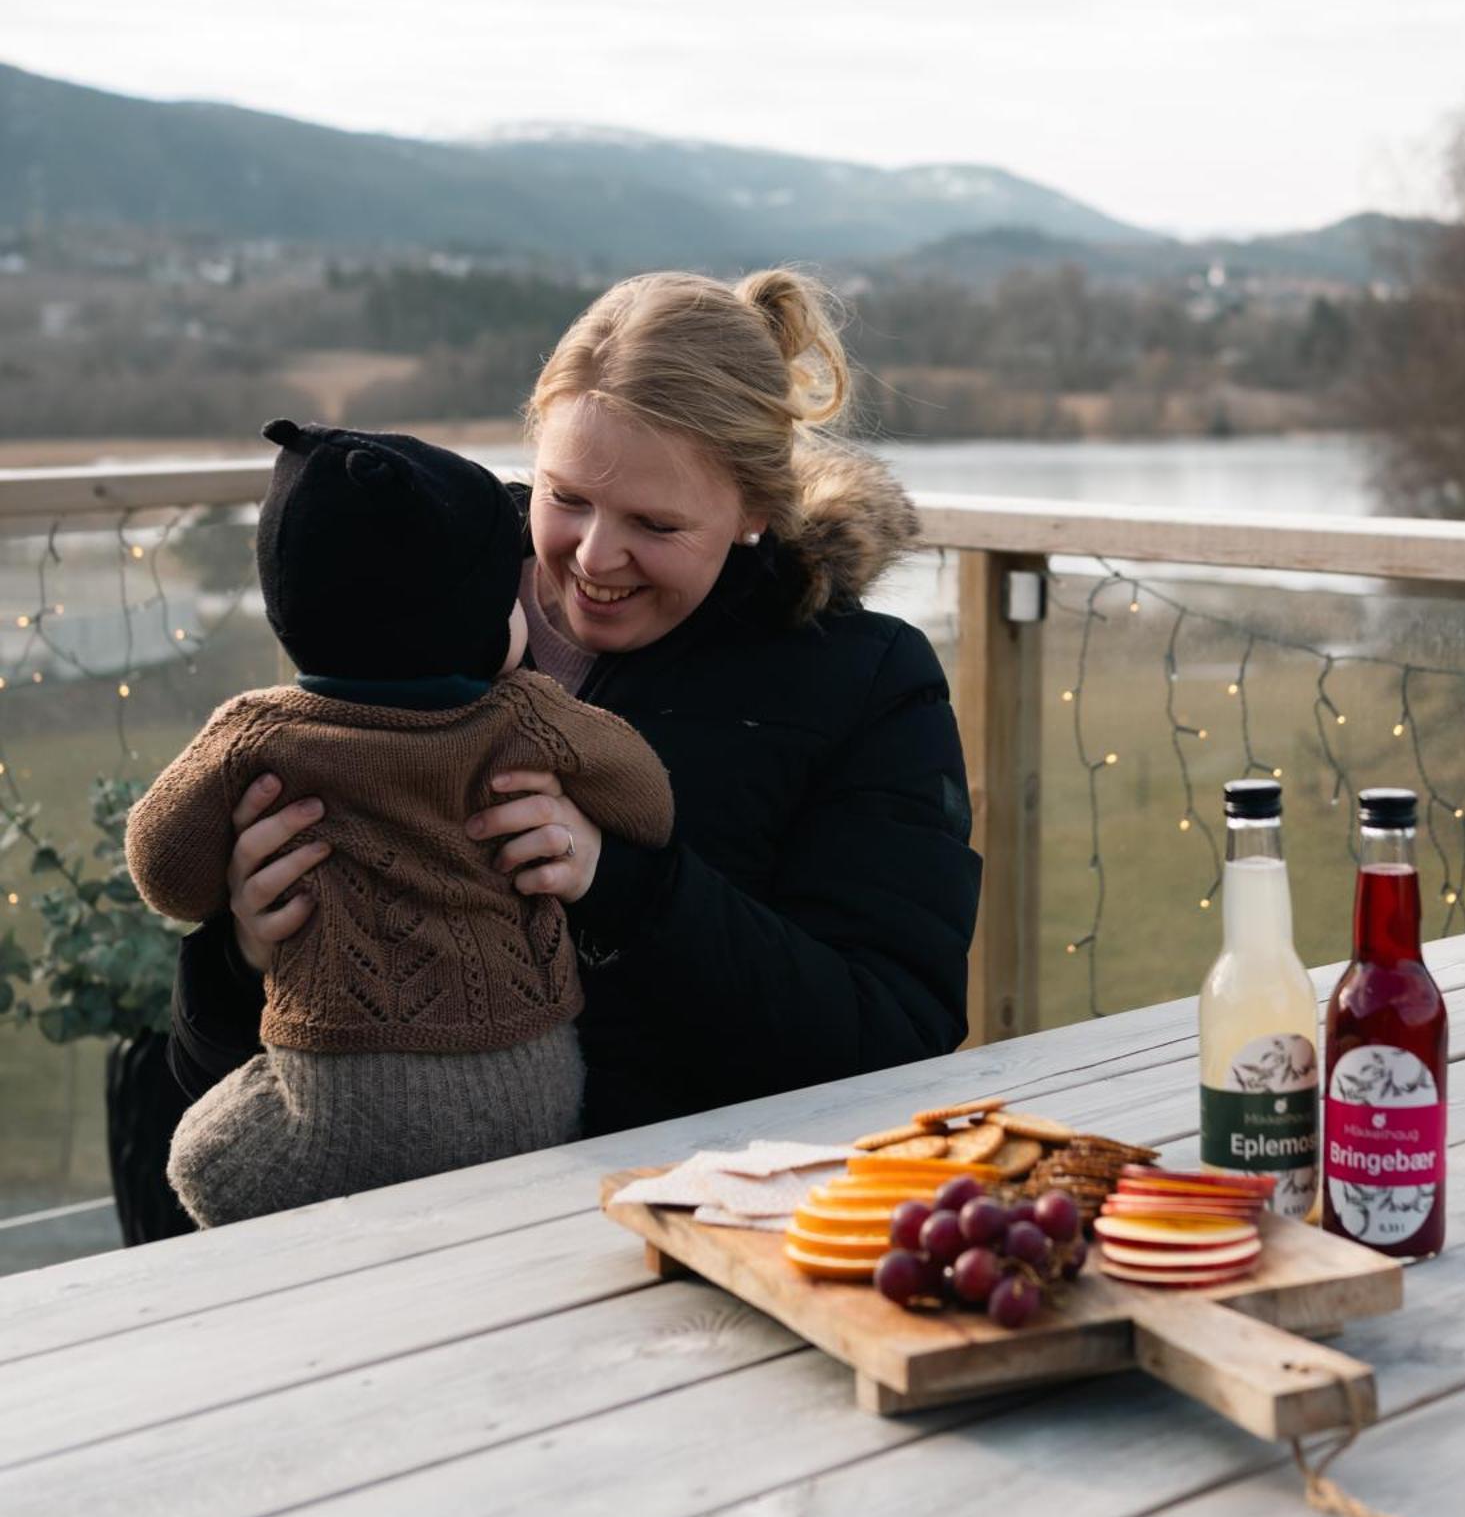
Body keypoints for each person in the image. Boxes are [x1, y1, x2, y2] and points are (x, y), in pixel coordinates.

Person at [165, 269, 981, 1145]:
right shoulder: (415, 603)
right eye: (567, 498)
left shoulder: (864, 680)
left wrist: (630, 888)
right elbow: (204, 1064)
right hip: (385, 1211)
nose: (596, 557)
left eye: (655, 526)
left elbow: (897, 1037)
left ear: (752, 509)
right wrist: (240, 952)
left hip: (667, 1207)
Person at [127, 422, 673, 1222]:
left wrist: (238, 903)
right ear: (486, 628)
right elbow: (650, 807)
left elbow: (162, 872)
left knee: (196, 1161)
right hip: (538, 1092)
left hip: (340, 1100)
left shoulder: (260, 734)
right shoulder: (526, 714)